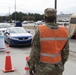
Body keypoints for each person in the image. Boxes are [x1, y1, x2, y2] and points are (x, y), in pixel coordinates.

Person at [27, 8, 69, 75]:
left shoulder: (40, 30)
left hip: (43, 68)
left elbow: (34, 51)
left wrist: (31, 66)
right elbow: (65, 53)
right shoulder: (64, 31)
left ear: (45, 17)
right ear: (55, 17)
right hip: (57, 67)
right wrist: (61, 64)